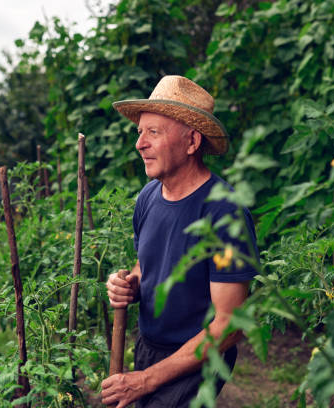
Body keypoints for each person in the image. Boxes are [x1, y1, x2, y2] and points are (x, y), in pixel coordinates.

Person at [100, 75, 259, 408]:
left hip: (197, 359)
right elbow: (148, 264)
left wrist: (145, 380)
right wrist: (128, 284)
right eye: (139, 132)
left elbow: (231, 323)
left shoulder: (223, 213)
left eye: (153, 132)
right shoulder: (148, 197)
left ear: (191, 142)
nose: (139, 144)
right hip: (148, 347)